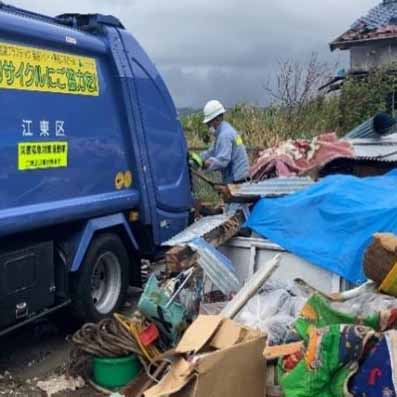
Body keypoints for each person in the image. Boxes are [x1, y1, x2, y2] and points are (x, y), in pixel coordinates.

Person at [200, 100, 250, 184]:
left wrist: (205, 164)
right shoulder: (225, 131)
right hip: (240, 178)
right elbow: (212, 151)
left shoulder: (224, 135)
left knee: (233, 197)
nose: (208, 126)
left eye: (209, 123)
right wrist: (198, 158)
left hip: (237, 180)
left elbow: (223, 161)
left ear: (217, 118)